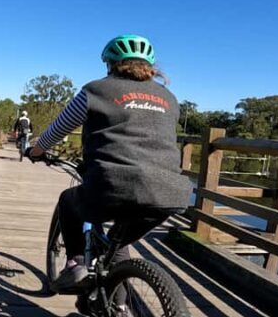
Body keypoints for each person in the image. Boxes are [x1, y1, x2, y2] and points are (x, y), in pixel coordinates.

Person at [28, 34, 191, 295]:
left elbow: (57, 131)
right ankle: (123, 313)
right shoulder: (169, 99)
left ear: (110, 64)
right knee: (115, 249)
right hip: (169, 193)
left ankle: (76, 265)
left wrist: (36, 151)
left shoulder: (95, 90)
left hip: (112, 185)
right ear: (151, 67)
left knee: (68, 201)